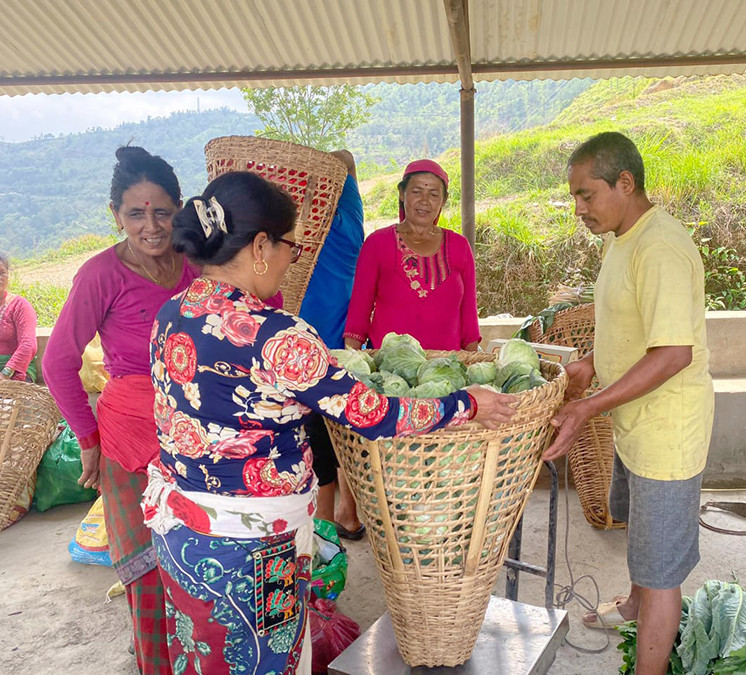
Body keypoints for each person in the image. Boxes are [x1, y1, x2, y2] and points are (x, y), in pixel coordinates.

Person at [141, 170, 515, 675]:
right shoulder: (279, 336)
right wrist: (463, 403)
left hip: (180, 535)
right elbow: (374, 415)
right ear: (259, 247)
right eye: (290, 248)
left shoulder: (169, 314)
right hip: (255, 547)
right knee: (266, 659)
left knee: (202, 656)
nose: (292, 261)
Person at [542, 132, 714, 675]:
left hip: (668, 430)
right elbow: (628, 323)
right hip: (636, 421)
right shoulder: (622, 238)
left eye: (587, 195)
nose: (579, 209)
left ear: (625, 182)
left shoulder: (659, 247)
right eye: (574, 197)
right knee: (640, 531)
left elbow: (671, 353)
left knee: (663, 567)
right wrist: (590, 364)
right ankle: (635, 604)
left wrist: (587, 406)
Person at [43, 146, 198, 675]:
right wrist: (89, 440)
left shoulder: (199, 263)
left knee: (203, 558)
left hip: (203, 438)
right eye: (136, 213)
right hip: (132, 443)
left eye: (162, 212)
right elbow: (57, 362)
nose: (151, 226)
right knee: (150, 568)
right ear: (117, 216)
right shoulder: (100, 275)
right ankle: (156, 662)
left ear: (179, 208)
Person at [343, 159, 481, 351]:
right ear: (402, 194)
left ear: (443, 201)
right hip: (388, 371)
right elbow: (358, 314)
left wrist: (473, 364)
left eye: (433, 194)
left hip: (447, 370)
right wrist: (352, 366)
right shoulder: (377, 243)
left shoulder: (460, 246)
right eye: (417, 192)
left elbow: (469, 317)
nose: (424, 201)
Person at [299, 150, 365, 540]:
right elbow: (346, 160)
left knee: (329, 433)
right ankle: (341, 515)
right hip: (324, 343)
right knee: (340, 433)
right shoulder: (346, 221)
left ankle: (335, 517)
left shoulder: (338, 222)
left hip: (333, 343)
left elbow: (345, 157)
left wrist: (307, 166)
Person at [0, 253, 38, 382]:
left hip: (15, 370)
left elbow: (28, 345)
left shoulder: (20, 306)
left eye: (2, 273)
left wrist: (5, 374)